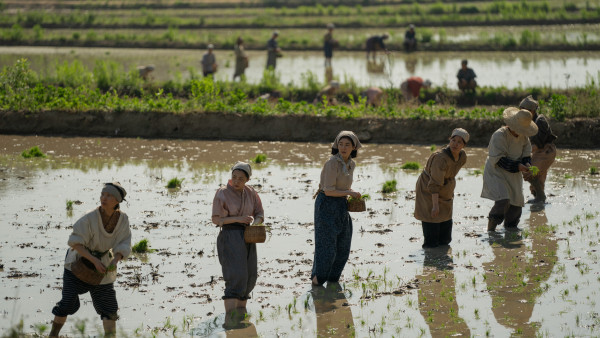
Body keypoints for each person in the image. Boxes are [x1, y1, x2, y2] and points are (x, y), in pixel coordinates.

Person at [49, 182, 131, 338]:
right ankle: (53, 335)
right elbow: (75, 243)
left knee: (109, 308)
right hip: (77, 264)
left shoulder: (123, 219)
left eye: (109, 196)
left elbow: (124, 242)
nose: (104, 198)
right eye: (102, 194)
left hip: (103, 266)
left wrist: (115, 260)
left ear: (117, 201)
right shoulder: (90, 217)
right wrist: (93, 260)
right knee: (66, 304)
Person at [212, 162, 264, 319]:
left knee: (249, 276)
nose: (236, 181)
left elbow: (260, 213)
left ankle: (240, 318)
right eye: (234, 177)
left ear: (247, 179)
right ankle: (230, 320)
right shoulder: (222, 193)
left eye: (241, 178)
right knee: (236, 276)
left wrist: (255, 223)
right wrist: (239, 218)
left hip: (248, 236)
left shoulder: (252, 193)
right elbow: (215, 219)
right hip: (230, 235)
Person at [311, 131, 362, 286]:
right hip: (326, 204)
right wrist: (349, 192)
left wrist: (349, 193)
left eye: (347, 145)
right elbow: (328, 190)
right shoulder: (332, 163)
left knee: (343, 247)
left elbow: (344, 186)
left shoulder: (351, 164)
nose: (343, 147)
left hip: (341, 205)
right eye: (340, 144)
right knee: (327, 249)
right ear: (336, 145)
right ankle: (317, 284)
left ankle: (333, 282)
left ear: (354, 147)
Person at [482, 107, 538, 231]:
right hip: (496, 171)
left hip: (514, 172)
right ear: (511, 124)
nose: (520, 132)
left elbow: (526, 154)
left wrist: (527, 165)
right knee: (503, 200)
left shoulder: (524, 137)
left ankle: (510, 229)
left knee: (516, 203)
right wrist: (518, 166)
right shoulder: (499, 135)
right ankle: (491, 230)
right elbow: (499, 160)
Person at [414, 128, 469, 248]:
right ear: (449, 140)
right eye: (453, 140)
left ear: (464, 145)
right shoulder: (440, 158)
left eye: (459, 142)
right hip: (429, 188)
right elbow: (434, 184)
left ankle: (442, 256)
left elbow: (451, 172)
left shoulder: (462, 156)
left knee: (445, 234)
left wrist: (448, 186)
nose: (455, 144)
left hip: (445, 189)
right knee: (432, 218)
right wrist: (435, 205)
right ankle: (430, 258)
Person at [519, 95, 557, 204]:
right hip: (537, 151)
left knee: (529, 171)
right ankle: (539, 199)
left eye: (524, 111)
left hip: (546, 150)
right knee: (539, 177)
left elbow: (538, 144)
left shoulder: (540, 121)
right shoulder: (527, 122)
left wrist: (521, 154)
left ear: (531, 111)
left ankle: (540, 197)